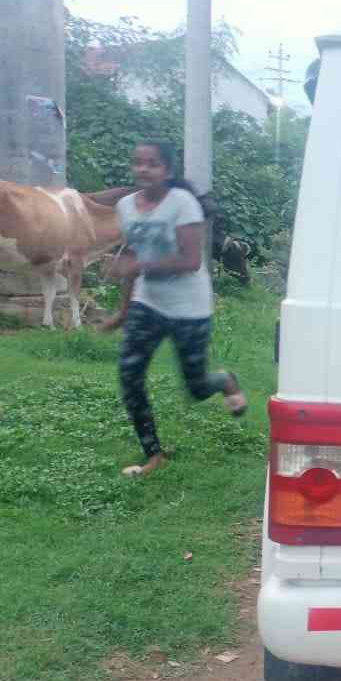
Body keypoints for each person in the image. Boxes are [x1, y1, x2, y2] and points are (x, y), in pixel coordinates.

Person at [107, 140, 247, 477]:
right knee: (130, 377)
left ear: (167, 170)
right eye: (138, 162)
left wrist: (138, 265)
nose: (143, 169)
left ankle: (224, 380)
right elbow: (132, 257)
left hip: (190, 308)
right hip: (148, 303)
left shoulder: (183, 203)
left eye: (152, 163)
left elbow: (190, 260)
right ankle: (154, 455)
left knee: (196, 388)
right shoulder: (126, 206)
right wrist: (123, 311)